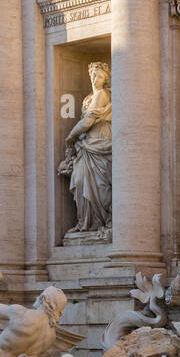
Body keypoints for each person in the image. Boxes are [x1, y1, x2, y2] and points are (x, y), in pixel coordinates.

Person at [61, 62, 112, 234]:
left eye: (99, 75)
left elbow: (88, 121)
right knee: (81, 180)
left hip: (99, 141)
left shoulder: (102, 94)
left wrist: (71, 135)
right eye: (92, 74)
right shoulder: (88, 98)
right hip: (86, 145)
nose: (94, 78)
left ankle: (99, 221)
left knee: (99, 184)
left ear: (106, 79)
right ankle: (85, 221)